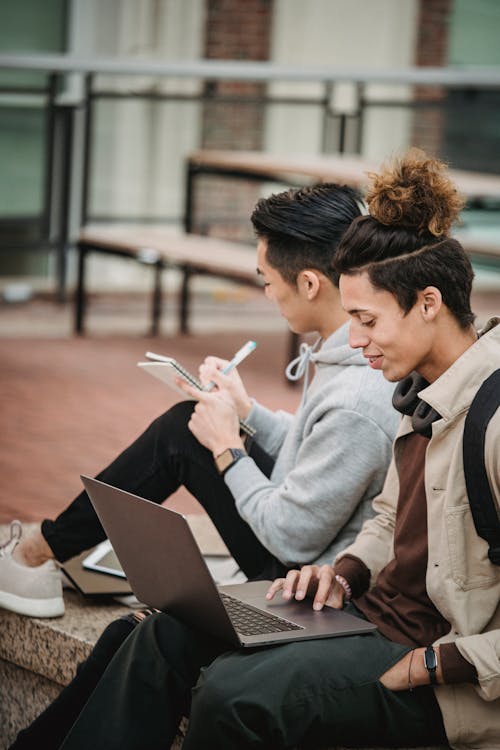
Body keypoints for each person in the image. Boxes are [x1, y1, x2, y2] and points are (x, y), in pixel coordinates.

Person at [26, 149, 498, 750]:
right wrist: (345, 573)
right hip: (372, 615)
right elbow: (391, 518)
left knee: (231, 694)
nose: (354, 342)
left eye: (367, 321)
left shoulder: (489, 415)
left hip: (438, 666)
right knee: (159, 635)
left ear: (427, 302)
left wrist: (437, 666)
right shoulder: (416, 388)